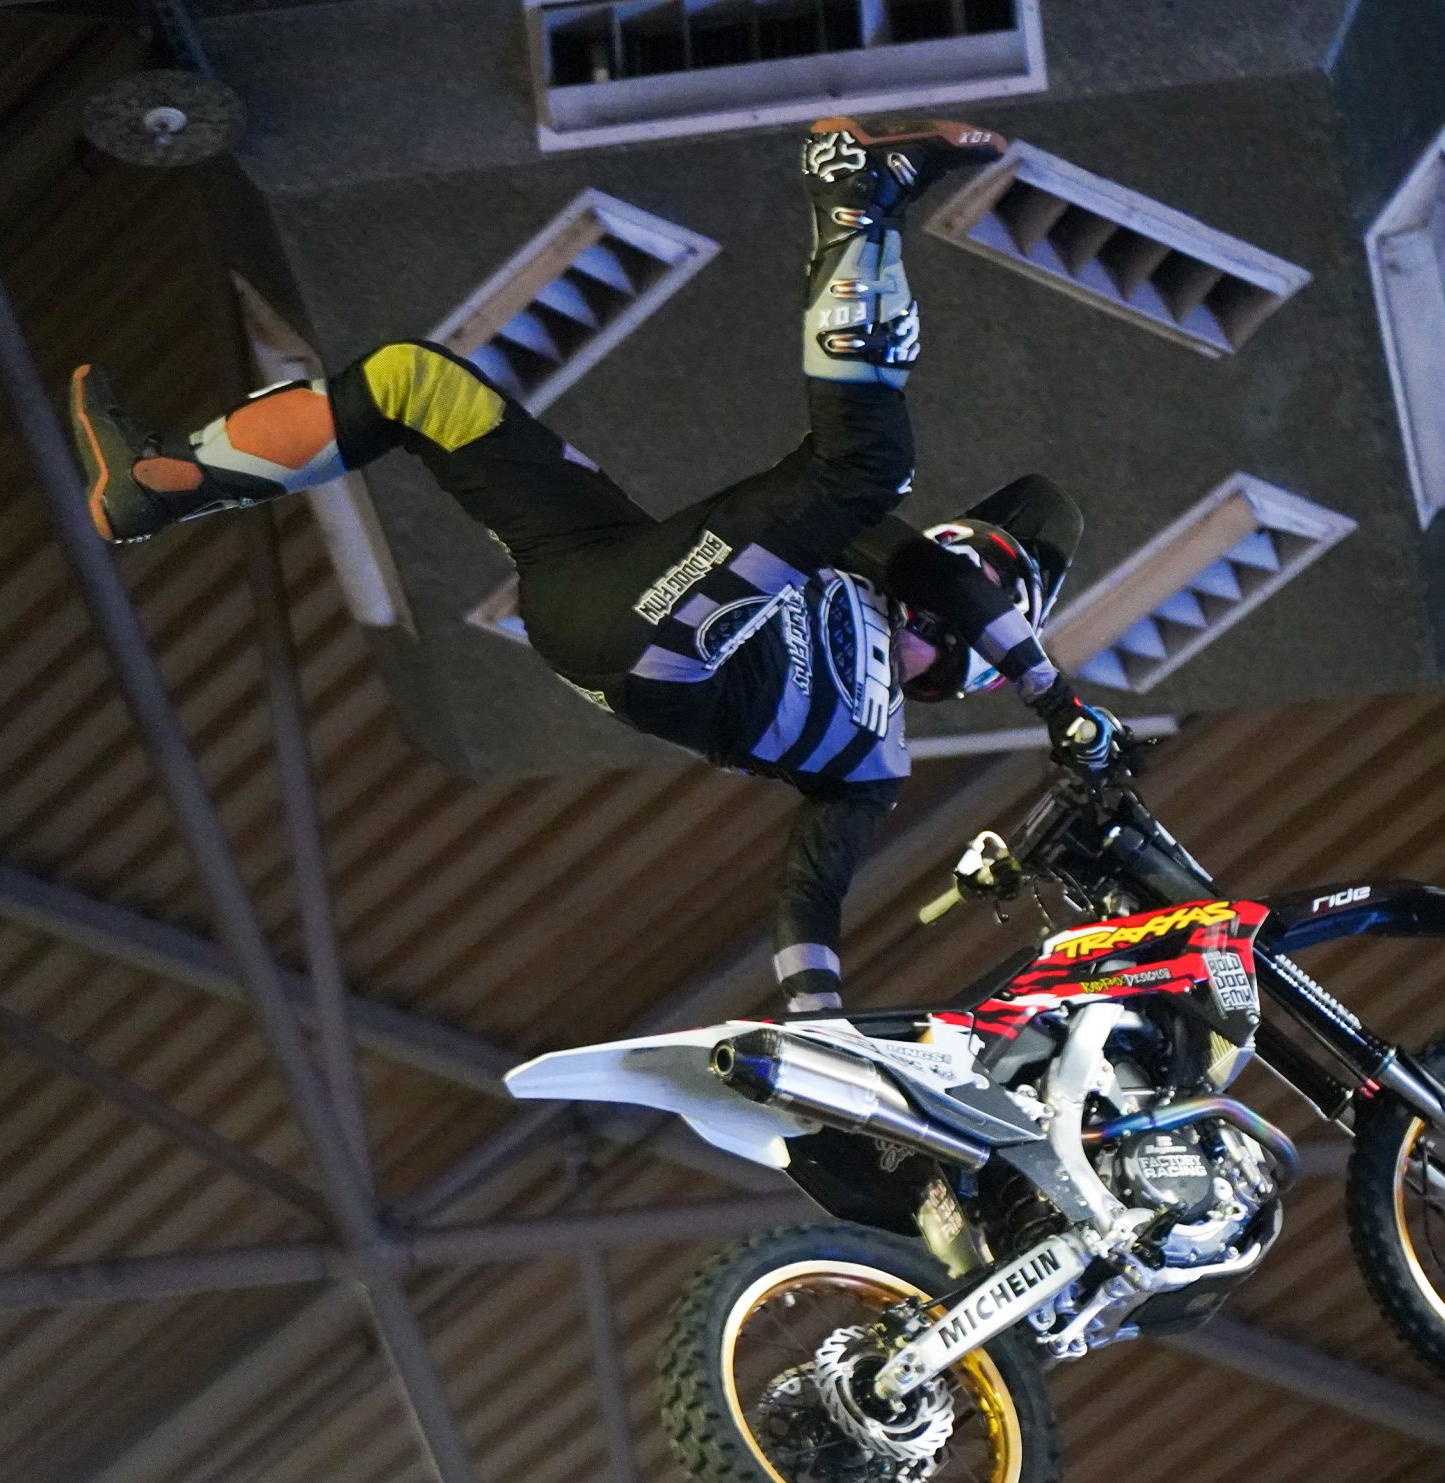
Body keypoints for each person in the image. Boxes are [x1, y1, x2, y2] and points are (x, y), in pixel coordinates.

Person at [65, 114, 1120, 1017]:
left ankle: (859, 196)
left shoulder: (872, 764)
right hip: (601, 579)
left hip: (656, 648)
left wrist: (817, 1018)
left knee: (868, 462)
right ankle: (162, 485)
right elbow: (941, 575)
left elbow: (810, 888)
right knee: (416, 385)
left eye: (974, 618)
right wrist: (1056, 699)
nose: (945, 606)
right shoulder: (875, 564)